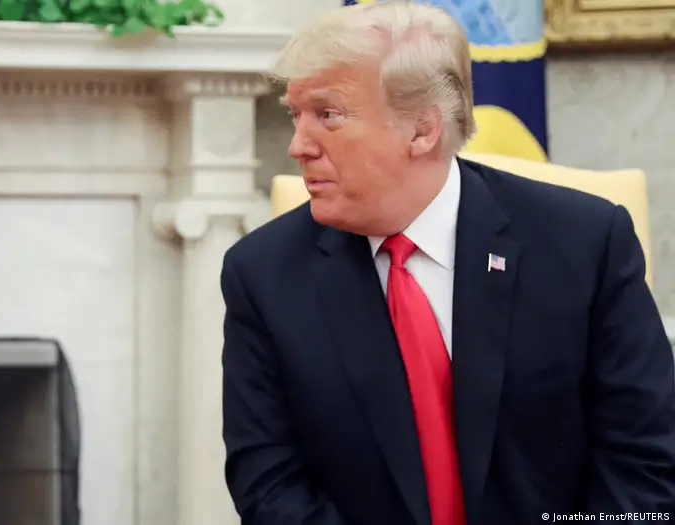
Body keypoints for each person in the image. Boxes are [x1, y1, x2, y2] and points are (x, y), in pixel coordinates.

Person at [221, 2, 675, 524]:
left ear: (422, 129)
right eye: (294, 115)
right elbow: (269, 483)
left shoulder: (584, 244)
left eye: (328, 115)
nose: (298, 146)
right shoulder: (262, 273)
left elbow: (644, 463)